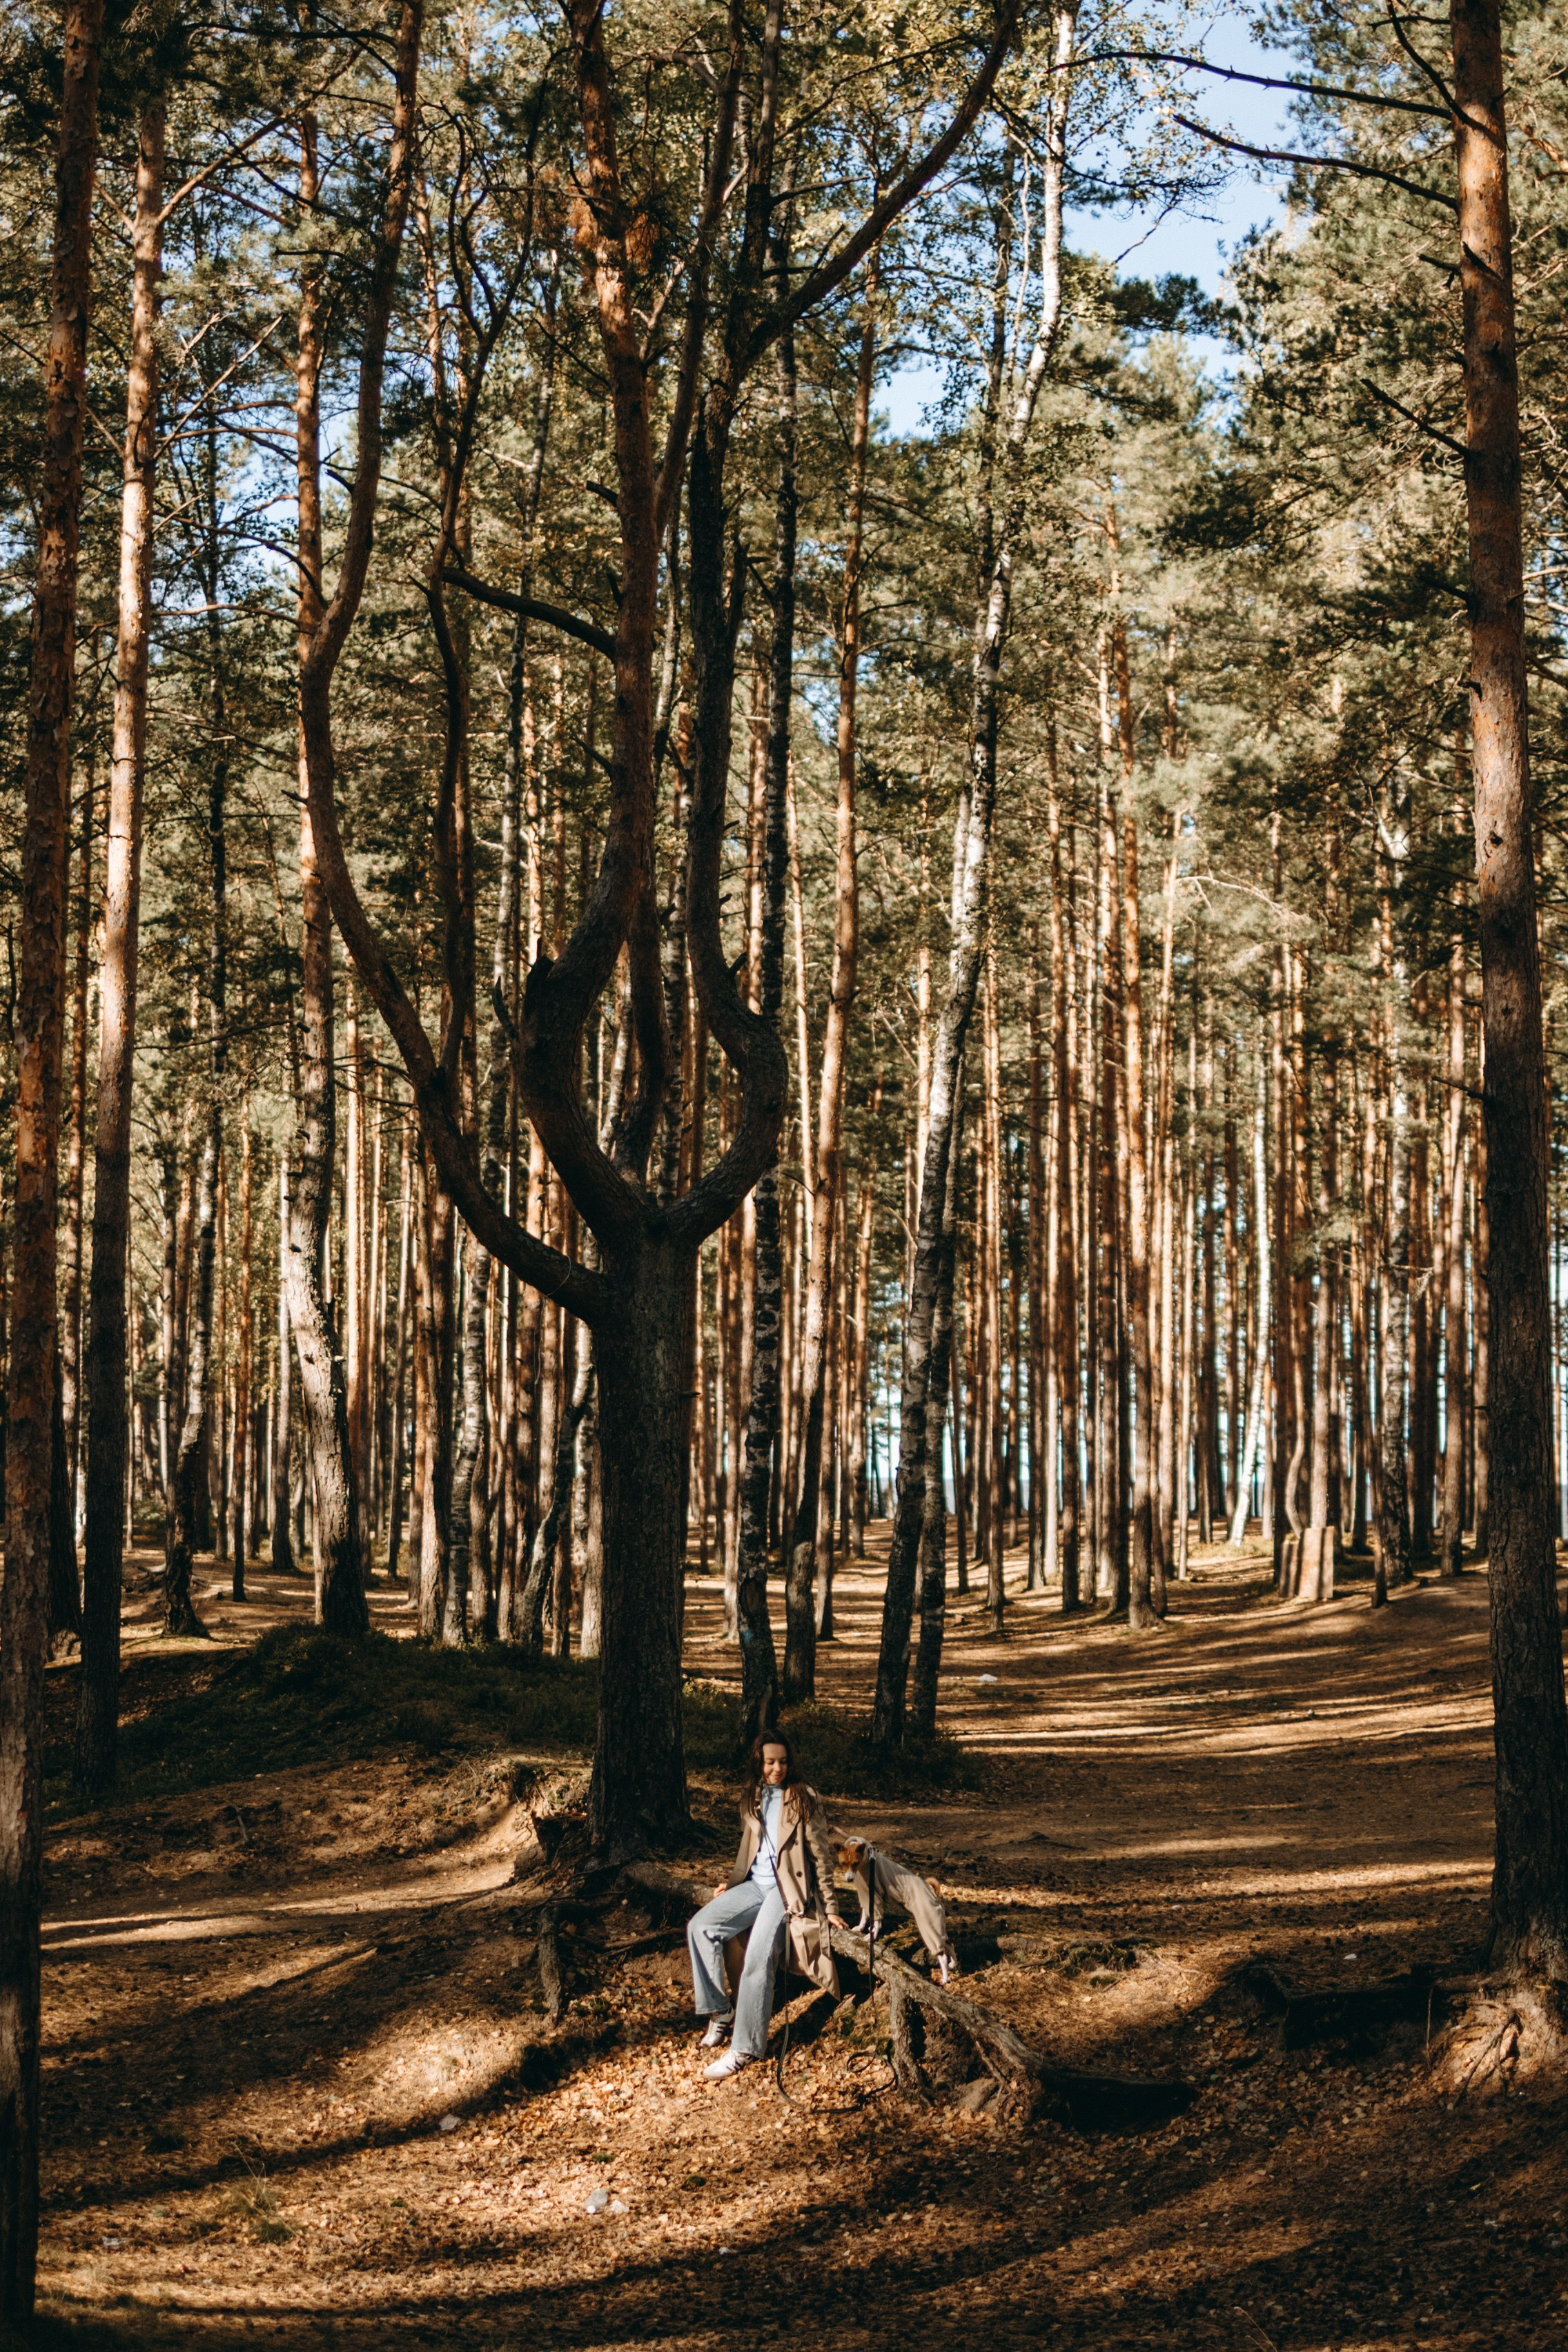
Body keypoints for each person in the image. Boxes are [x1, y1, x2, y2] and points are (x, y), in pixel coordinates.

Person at [685, 1731, 840, 2079]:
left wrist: (830, 1906)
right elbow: (750, 1849)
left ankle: (744, 2047)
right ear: (759, 1761)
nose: (777, 1768)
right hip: (754, 1885)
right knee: (701, 1927)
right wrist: (733, 1882)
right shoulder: (753, 1796)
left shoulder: (804, 1798)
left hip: (786, 1890)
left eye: (783, 1761)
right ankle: (720, 2010)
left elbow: (821, 1856)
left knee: (758, 1957)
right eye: (770, 1761)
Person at [834, 1833, 957, 1985]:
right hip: (911, 1891)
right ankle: (952, 1960)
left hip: (916, 1893)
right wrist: (861, 1925)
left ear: (862, 1852)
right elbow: (867, 1897)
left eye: (854, 1865)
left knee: (931, 1930)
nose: (849, 1873)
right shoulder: (865, 1861)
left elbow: (874, 1898)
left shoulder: (870, 1862)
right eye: (845, 1865)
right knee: (936, 1931)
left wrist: (875, 1927)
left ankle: (946, 1973)